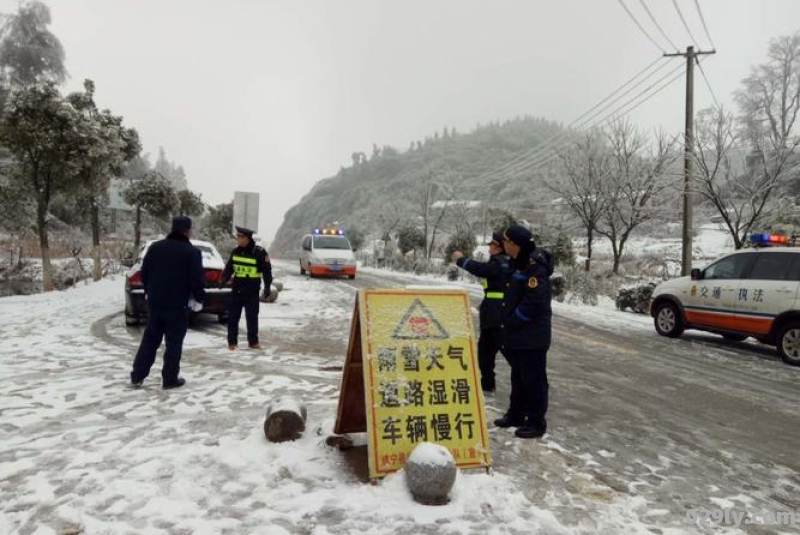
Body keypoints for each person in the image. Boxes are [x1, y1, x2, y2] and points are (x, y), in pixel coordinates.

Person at [130, 216, 205, 390]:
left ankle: (137, 375)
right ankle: (170, 378)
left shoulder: (155, 248)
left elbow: (145, 272)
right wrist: (199, 298)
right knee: (174, 343)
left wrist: (150, 292)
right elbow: (197, 280)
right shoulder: (192, 253)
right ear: (188, 231)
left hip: (155, 304)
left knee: (150, 340)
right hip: (178, 306)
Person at [496, 224, 554, 439]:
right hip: (519, 336)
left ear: (514, 244)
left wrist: (512, 320)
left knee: (534, 380)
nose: (503, 245)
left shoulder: (535, 268)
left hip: (532, 336)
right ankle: (516, 414)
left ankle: (536, 422)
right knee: (518, 377)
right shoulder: (518, 264)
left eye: (505, 241)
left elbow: (533, 302)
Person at [451, 231, 511, 392]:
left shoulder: (501, 263)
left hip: (497, 317)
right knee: (485, 353)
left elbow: (480, 269)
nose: (489, 247)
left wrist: (460, 259)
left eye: (492, 244)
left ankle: (520, 391)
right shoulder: (502, 262)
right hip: (492, 313)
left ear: (498, 247)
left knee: (504, 353)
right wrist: (486, 303)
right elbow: (495, 288)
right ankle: (487, 385)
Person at [221, 226, 272, 350]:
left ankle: (253, 342)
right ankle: (232, 343)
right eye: (237, 236)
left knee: (252, 318)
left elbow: (267, 272)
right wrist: (223, 281)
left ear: (247, 238)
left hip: (252, 291)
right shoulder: (235, 252)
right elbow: (229, 269)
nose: (237, 239)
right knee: (232, 317)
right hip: (237, 290)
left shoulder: (259, 253)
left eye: (240, 237)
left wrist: (267, 288)